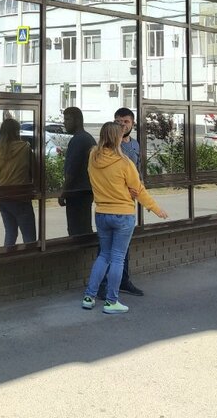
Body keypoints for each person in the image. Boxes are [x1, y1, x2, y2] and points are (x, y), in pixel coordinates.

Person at [82, 122, 168, 314]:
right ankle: (111, 301)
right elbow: (138, 190)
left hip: (102, 213)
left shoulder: (93, 157)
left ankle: (89, 297)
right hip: (123, 215)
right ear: (118, 138)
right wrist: (155, 208)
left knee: (103, 255)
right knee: (118, 258)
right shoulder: (125, 163)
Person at [113, 106, 145, 296]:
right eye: (118, 121)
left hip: (129, 203)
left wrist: (140, 188)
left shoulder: (135, 145)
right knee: (109, 248)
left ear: (132, 124)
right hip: (113, 202)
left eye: (126, 121)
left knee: (123, 246)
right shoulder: (108, 145)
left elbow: (138, 170)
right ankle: (105, 284)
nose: (122, 125)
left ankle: (123, 281)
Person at [0, 117, 37, 247]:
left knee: (10, 233)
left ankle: (7, 256)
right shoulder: (24, 147)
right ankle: (30, 258)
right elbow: (35, 170)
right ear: (16, 131)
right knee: (29, 237)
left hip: (3, 197)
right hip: (20, 197)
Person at [58, 107, 96, 235]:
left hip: (78, 193)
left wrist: (64, 192)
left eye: (67, 119)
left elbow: (72, 170)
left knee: (77, 231)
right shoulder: (86, 138)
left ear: (77, 120)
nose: (65, 123)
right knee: (83, 228)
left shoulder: (79, 140)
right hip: (85, 191)